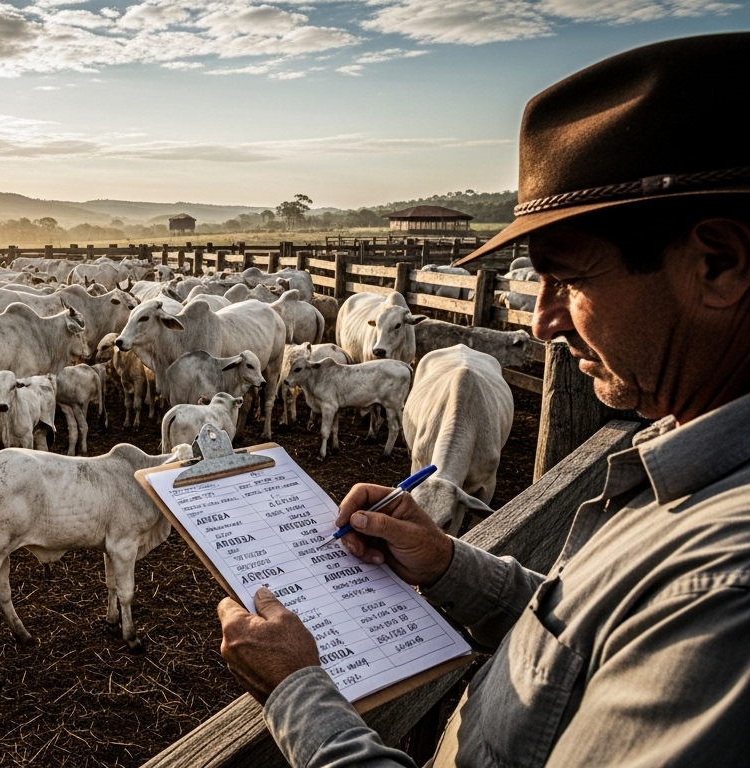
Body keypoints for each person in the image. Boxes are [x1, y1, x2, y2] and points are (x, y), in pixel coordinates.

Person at [218, 32, 750, 767]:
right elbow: (591, 633)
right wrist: (447, 564)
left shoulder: (726, 595)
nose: (541, 321)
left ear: (717, 265)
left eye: (570, 279)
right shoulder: (690, 471)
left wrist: (299, 695)